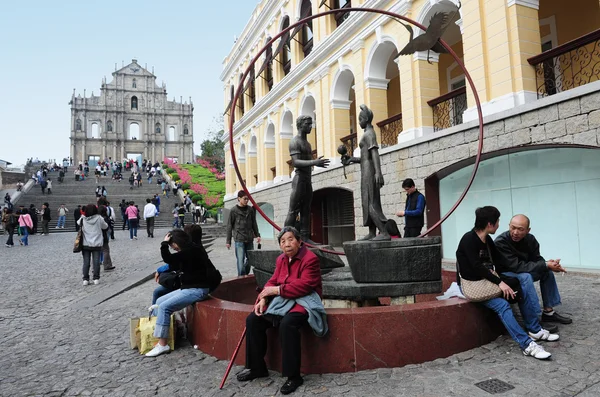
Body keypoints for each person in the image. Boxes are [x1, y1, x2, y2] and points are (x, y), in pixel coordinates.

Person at [456, 206, 558, 360]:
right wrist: (500, 283)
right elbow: (476, 267)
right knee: (503, 305)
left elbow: (501, 261)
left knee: (519, 286)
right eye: (497, 222)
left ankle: (534, 330)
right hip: (475, 287)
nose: (499, 225)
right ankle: (527, 345)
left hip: (488, 282)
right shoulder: (468, 239)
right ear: (490, 224)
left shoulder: (487, 240)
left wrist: (545, 263)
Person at [237, 226, 327, 395]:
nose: (287, 244)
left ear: (299, 242)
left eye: (291, 239)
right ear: (280, 246)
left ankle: (294, 376)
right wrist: (263, 297)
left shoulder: (310, 259)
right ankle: (257, 368)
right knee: (253, 320)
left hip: (304, 301)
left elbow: (306, 285)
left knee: (287, 324)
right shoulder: (281, 260)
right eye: (283, 241)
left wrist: (276, 291)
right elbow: (273, 280)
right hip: (283, 300)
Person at [145, 229, 222, 357]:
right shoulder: (190, 251)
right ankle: (163, 334)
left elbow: (168, 258)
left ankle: (163, 344)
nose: (172, 248)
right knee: (159, 302)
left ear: (177, 242)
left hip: (197, 290)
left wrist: (164, 244)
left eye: (172, 245)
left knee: (164, 307)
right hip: (189, 288)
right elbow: (173, 264)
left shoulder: (192, 251)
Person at [495, 214, 572, 326]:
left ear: (528, 230)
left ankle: (548, 312)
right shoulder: (501, 242)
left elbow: (537, 259)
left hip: (523, 270)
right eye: (513, 227)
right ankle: (534, 317)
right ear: (509, 226)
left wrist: (550, 264)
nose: (515, 232)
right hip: (506, 274)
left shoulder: (530, 239)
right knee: (526, 277)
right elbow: (517, 266)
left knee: (547, 272)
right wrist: (545, 264)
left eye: (520, 229)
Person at [341, 105, 389, 241]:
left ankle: (384, 232)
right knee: (366, 200)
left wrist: (378, 172)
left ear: (366, 119)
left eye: (360, 119)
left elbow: (374, 153)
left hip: (370, 170)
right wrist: (351, 159)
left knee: (370, 201)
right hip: (365, 168)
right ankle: (372, 232)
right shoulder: (366, 134)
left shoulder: (369, 134)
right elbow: (364, 158)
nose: (359, 121)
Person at [284, 115, 330, 242]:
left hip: (307, 179)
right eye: (307, 124)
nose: (310, 126)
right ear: (300, 125)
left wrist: (314, 162)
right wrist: (314, 162)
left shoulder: (308, 144)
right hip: (299, 179)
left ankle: (304, 238)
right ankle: (286, 237)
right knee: (293, 211)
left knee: (306, 209)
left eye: (311, 124)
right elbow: (296, 162)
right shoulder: (295, 142)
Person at [152, 224, 206, 304]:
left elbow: (172, 263)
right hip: (188, 283)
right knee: (159, 294)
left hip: (189, 285)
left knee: (159, 295)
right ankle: (155, 314)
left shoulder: (191, 250)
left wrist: (160, 269)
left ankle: (155, 314)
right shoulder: (195, 248)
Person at [226, 190, 261, 276]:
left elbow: (254, 223)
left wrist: (257, 235)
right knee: (240, 261)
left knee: (250, 260)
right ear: (239, 198)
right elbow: (229, 226)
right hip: (239, 239)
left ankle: (244, 273)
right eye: (245, 199)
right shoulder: (233, 211)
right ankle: (241, 278)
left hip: (249, 238)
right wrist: (228, 241)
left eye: (248, 199)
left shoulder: (250, 210)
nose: (246, 200)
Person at [77, 204, 108, 285]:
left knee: (86, 262)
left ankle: (85, 279)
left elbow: (78, 223)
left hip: (85, 243)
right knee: (96, 261)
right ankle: (96, 278)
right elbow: (105, 226)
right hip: (96, 243)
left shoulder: (83, 218)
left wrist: (82, 216)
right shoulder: (99, 218)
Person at [98, 205, 115, 271]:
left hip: (97, 237)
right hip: (103, 235)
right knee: (106, 250)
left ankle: (108, 264)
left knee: (100, 251)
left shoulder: (97, 218)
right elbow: (107, 227)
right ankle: (106, 265)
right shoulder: (105, 218)